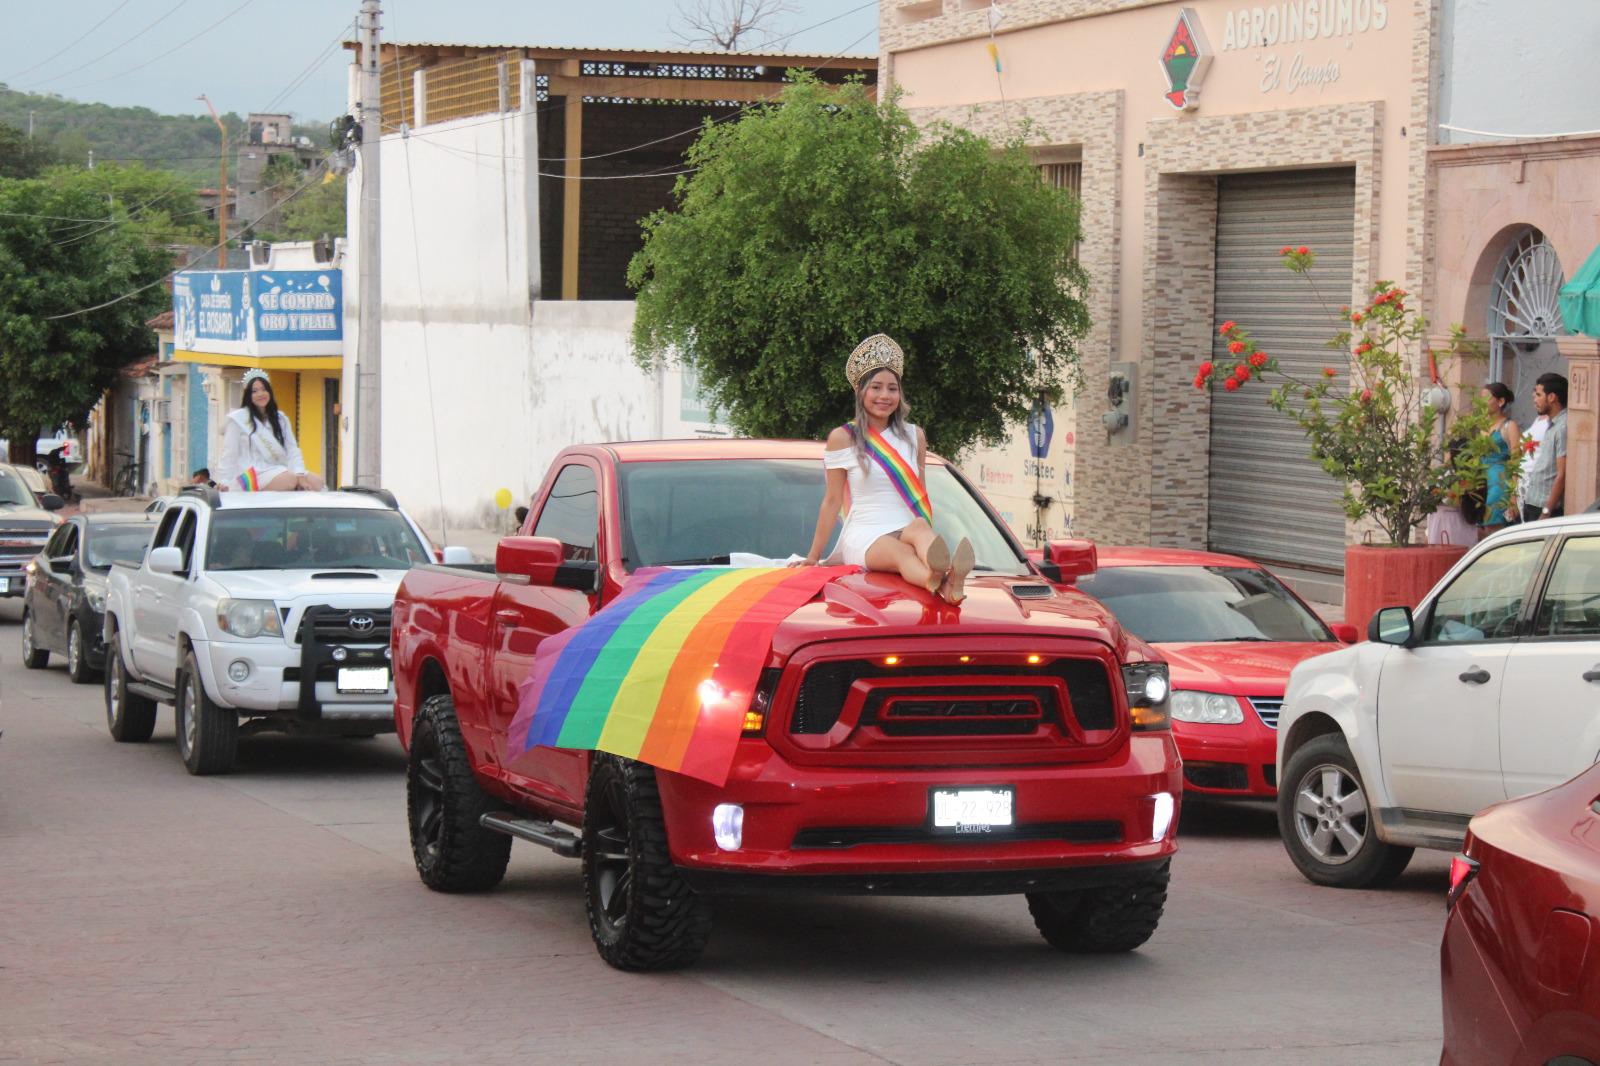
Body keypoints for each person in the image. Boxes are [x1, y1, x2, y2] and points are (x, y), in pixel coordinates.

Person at [793, 334, 974, 605]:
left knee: (920, 528)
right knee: (902, 554)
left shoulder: (915, 436)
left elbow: (920, 493)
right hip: (866, 533)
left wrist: (921, 526)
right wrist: (813, 556)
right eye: (876, 387)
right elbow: (831, 502)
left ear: (900, 394)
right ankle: (940, 581)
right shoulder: (843, 438)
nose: (884, 396)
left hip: (906, 524)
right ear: (859, 391)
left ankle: (944, 572)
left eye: (892, 388)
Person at [215, 370, 325, 492]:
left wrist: (299, 473)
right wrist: (225, 481)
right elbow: (229, 453)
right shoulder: (238, 419)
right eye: (255, 391)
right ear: (247, 395)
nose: (260, 394)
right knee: (289, 479)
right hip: (252, 473)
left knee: (316, 482)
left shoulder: (281, 418)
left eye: (264, 389)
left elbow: (292, 449)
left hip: (279, 468)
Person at [1521, 372, 1567, 522]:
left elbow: (1562, 474)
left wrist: (1547, 511)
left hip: (1545, 508)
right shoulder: (1552, 424)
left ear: (1552, 397)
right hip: (1533, 503)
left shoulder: (1562, 427)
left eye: (1539, 395)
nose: (1535, 400)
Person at [1477, 383, 1519, 535]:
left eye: (1487, 398)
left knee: (1493, 528)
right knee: (1479, 530)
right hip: (1481, 483)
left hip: (1499, 482)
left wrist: (1514, 496)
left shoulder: (1509, 426)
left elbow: (1516, 461)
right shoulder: (1481, 426)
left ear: (1500, 402)